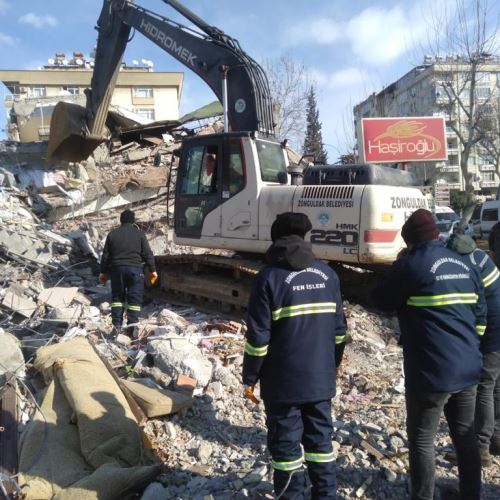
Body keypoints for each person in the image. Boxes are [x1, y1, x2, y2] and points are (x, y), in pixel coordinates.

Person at [370, 209, 485, 500]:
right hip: (469, 368)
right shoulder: (464, 264)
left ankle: (423, 497)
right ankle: (471, 494)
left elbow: (379, 299)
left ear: (411, 241)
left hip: (431, 372)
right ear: (436, 234)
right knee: (465, 437)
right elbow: (480, 314)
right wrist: (468, 349)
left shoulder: (414, 265)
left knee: (422, 438)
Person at [242, 212, 347, 499]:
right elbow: (339, 333)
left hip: (282, 386)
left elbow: (258, 340)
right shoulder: (328, 275)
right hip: (320, 381)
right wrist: (329, 367)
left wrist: (249, 377)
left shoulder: (268, 278)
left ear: (276, 240)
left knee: (286, 452)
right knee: (321, 446)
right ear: (304, 238)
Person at [448, 231, 500, 464]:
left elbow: (471, 309)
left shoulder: (463, 266)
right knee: (497, 385)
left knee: (483, 387)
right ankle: (497, 438)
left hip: (493, 331)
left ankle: (481, 448)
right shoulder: (481, 256)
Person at [99, 209, 157, 336]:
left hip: (117, 270)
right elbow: (147, 254)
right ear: (133, 221)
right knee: (134, 301)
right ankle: (131, 328)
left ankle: (117, 327)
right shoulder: (139, 234)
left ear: (121, 220)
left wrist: (103, 272)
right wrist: (153, 270)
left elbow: (106, 256)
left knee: (117, 299)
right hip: (135, 270)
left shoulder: (112, 234)